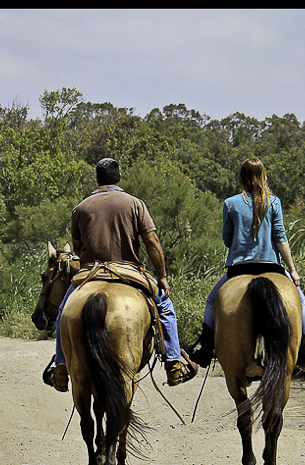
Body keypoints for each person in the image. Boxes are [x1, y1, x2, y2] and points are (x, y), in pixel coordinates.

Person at [47, 157, 198, 392]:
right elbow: (152, 242)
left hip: (90, 273)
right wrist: (163, 277)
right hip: (129, 271)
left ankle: (61, 367)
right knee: (165, 306)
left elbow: (78, 248)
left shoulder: (81, 208)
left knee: (63, 313)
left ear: (97, 179)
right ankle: (173, 363)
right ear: (119, 177)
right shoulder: (136, 204)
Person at [189, 157, 305, 369]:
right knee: (300, 301)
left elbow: (227, 240)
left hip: (239, 268)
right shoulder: (274, 202)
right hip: (271, 267)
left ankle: (206, 349)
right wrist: (292, 271)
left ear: (241, 177)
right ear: (263, 176)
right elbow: (281, 238)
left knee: (211, 302)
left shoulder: (230, 203)